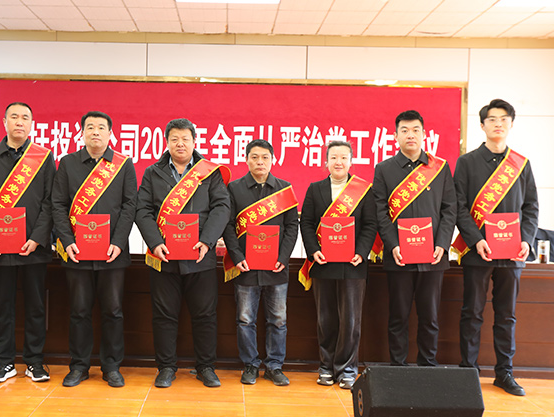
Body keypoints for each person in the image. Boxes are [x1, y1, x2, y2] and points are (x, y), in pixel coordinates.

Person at [135, 118, 230, 388]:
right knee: (164, 315)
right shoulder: (153, 172)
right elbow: (142, 210)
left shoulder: (208, 172)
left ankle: (206, 367)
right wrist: (155, 242)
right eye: (174, 139)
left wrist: (207, 241)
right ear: (167, 142)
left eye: (185, 139)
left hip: (200, 255)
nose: (180, 144)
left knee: (205, 315)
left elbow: (222, 207)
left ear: (194, 141)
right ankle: (166, 367)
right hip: (163, 256)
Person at [453, 99, 538, 396]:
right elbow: (459, 207)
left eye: (503, 119)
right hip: (478, 252)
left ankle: (504, 373)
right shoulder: (466, 162)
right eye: (492, 119)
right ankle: (468, 371)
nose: (498, 123)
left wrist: (526, 239)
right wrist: (476, 240)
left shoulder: (521, 164)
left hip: (512, 253)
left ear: (511, 124)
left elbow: (531, 207)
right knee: (472, 313)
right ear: (482, 125)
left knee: (506, 315)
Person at [0, 102, 55, 383]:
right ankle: (4, 363)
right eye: (14, 117)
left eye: (25, 118)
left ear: (32, 124)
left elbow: (50, 203)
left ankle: (35, 362)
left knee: (36, 307)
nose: (20, 122)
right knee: (3, 307)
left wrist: (37, 238)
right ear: (4, 122)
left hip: (34, 248)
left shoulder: (44, 157)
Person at [51, 111, 137, 388]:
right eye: (90, 127)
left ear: (110, 133)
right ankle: (79, 366)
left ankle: (112, 367)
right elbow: (58, 205)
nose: (95, 132)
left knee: (113, 311)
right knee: (79, 311)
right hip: (77, 251)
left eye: (101, 127)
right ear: (82, 133)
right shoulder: (68, 163)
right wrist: (67, 241)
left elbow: (130, 205)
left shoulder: (123, 165)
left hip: (112, 252)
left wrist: (118, 242)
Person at [372, 110, 457, 368]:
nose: (411, 135)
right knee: (398, 316)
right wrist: (392, 245)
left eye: (416, 130)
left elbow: (450, 208)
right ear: (396, 135)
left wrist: (442, 244)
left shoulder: (440, 168)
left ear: (424, 134)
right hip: (398, 256)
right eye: (405, 130)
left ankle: (427, 365)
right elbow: (380, 211)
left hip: (433, 257)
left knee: (429, 316)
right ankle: (398, 366)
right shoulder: (384, 169)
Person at [300, 141, 377, 389]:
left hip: (353, 265)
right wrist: (313, 250)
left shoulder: (363, 190)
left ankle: (347, 369)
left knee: (351, 320)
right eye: (333, 157)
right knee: (326, 318)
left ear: (351, 161)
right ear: (326, 162)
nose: (338, 162)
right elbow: (306, 223)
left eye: (343, 157)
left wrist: (361, 252)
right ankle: (326, 366)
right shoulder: (315, 189)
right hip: (323, 263)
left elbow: (370, 225)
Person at [222, 139, 298, 386]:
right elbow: (228, 226)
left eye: (265, 157)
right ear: (246, 160)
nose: (260, 162)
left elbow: (292, 227)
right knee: (245, 319)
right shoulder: (234, 189)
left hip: (276, 268)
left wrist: (283, 258)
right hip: (245, 267)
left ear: (273, 160)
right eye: (254, 157)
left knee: (278, 320)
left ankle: (274, 366)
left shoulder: (284, 189)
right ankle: (251, 364)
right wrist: (237, 256)